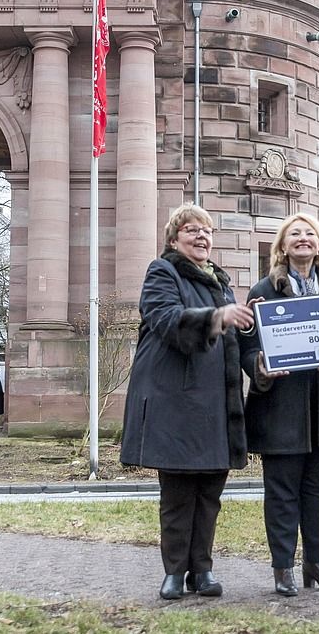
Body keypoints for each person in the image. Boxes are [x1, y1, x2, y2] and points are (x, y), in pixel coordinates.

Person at [120, 203, 255, 601]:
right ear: (174, 238)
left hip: (216, 402)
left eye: (207, 231)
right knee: (178, 494)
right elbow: (165, 319)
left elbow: (238, 339)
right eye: (192, 230)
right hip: (176, 402)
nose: (202, 237)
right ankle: (175, 572)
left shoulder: (222, 282)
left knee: (210, 493)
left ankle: (204, 570)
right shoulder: (162, 271)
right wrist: (217, 317)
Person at [239, 213, 319, 597]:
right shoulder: (263, 291)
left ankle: (317, 566)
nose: (303, 239)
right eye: (294, 234)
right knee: (282, 492)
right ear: (283, 247)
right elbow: (247, 348)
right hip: (280, 410)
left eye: (310, 234)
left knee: (317, 491)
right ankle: (283, 568)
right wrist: (260, 365)